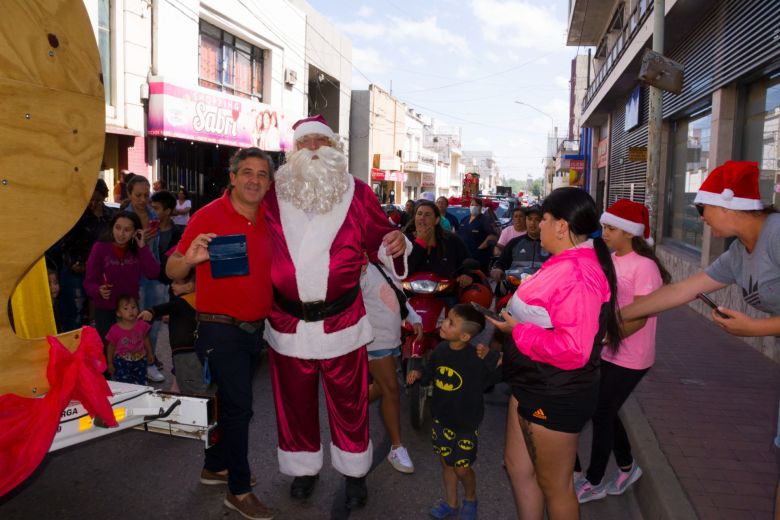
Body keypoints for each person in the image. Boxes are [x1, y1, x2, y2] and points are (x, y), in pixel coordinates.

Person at [263, 115, 408, 509]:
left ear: (335, 150)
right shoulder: (273, 193)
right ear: (292, 151)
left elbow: (382, 237)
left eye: (320, 143)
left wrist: (396, 241)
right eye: (305, 142)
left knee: (350, 405)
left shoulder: (358, 193)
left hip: (342, 321)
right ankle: (304, 470)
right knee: (295, 405)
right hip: (288, 322)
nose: (312, 149)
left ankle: (354, 472)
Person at [619, 161, 780, 513]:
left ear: (727, 204)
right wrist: (617, 317)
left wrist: (755, 329)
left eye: (702, 207)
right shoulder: (739, 253)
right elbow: (683, 290)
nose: (701, 217)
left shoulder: (776, 235)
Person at [488, 187, 621, 520]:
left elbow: (574, 350)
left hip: (555, 389)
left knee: (555, 486)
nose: (537, 225)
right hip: (533, 381)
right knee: (518, 467)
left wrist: (516, 332)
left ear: (562, 226)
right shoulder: (566, 261)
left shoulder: (577, 273)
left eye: (544, 219)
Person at [166, 147, 274, 520]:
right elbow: (172, 270)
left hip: (254, 332)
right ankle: (239, 491)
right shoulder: (208, 215)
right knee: (240, 409)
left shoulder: (270, 219)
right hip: (218, 328)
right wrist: (189, 260)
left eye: (262, 174)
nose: (254, 180)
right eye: (247, 172)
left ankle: (215, 465)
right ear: (232, 176)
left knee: (229, 404)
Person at [574, 199, 670, 503]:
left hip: (632, 356)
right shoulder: (614, 259)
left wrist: (603, 339)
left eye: (611, 228)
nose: (605, 233)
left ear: (630, 233)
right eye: (604, 227)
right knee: (604, 410)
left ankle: (594, 480)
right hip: (608, 350)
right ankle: (627, 467)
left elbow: (640, 318)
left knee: (602, 412)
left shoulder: (646, 267)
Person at [406, 304, 501, 520]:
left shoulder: (475, 359)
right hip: (441, 420)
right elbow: (430, 372)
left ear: (465, 335)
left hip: (466, 424)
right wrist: (419, 374)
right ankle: (451, 503)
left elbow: (498, 376)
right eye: (446, 319)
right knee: (447, 463)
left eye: (450, 322)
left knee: (462, 468)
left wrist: (490, 356)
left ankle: (470, 497)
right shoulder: (440, 350)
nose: (443, 323)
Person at [360, 261, 421, 474]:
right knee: (391, 389)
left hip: (392, 339)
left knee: (381, 386)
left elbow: (397, 295)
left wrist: (413, 318)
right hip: (375, 341)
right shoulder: (359, 267)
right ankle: (396, 447)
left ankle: (346, 413)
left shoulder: (382, 264)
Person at [84, 211, 159, 352]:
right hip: (105, 308)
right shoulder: (100, 248)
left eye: (127, 229)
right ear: (112, 227)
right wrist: (98, 290)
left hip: (129, 309)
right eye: (117, 228)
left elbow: (153, 273)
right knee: (108, 352)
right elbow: (89, 283)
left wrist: (143, 247)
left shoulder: (139, 249)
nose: (121, 233)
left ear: (135, 232)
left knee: (130, 350)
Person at [58, 179, 116, 331]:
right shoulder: (76, 216)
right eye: (90, 199)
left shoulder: (111, 216)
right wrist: (72, 264)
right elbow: (63, 243)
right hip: (76, 270)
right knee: (74, 315)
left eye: (97, 199)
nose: (93, 203)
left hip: (100, 272)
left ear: (104, 197)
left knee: (99, 317)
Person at [125, 175, 166, 383]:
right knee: (133, 321)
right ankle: (135, 363)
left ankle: (150, 361)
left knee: (154, 321)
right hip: (134, 276)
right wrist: (137, 243)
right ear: (129, 195)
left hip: (154, 275)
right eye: (138, 195)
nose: (142, 199)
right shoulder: (124, 218)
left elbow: (158, 246)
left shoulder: (152, 213)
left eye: (145, 195)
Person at [139, 270, 205, 394]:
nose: (172, 285)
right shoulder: (196, 299)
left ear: (190, 285)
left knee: (189, 384)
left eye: (176, 282)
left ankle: (194, 406)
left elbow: (168, 307)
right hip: (196, 348)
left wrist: (151, 311)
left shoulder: (181, 302)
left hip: (184, 351)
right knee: (197, 380)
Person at [405, 200, 470, 280]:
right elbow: (404, 271)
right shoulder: (405, 240)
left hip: (447, 291)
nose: (422, 218)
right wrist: (420, 243)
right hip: (410, 291)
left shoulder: (452, 240)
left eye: (427, 215)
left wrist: (466, 275)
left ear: (436, 220)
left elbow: (467, 265)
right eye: (419, 214)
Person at [490, 205, 549, 282]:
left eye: (537, 219)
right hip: (515, 287)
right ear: (526, 220)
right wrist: (497, 269)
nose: (532, 223)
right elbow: (501, 263)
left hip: (543, 288)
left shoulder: (551, 245)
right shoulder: (514, 243)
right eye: (529, 219)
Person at [106, 295, 154, 385]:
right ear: (118, 313)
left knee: (141, 383)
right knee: (124, 385)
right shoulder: (115, 330)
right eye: (125, 308)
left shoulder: (142, 325)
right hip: (122, 362)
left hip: (140, 360)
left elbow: (145, 339)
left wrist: (150, 353)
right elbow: (111, 347)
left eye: (133, 307)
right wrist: (110, 363)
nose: (131, 311)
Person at [150, 190, 183, 287]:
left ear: (167, 211)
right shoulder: (147, 231)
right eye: (151, 208)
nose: (152, 211)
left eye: (156, 208)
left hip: (169, 287)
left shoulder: (179, 236)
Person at [457, 198, 497, 273]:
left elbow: (493, 236)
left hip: (479, 257)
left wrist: (479, 248)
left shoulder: (485, 220)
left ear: (481, 207)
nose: (474, 207)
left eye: (477, 205)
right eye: (472, 205)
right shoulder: (464, 219)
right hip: (464, 256)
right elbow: (459, 235)